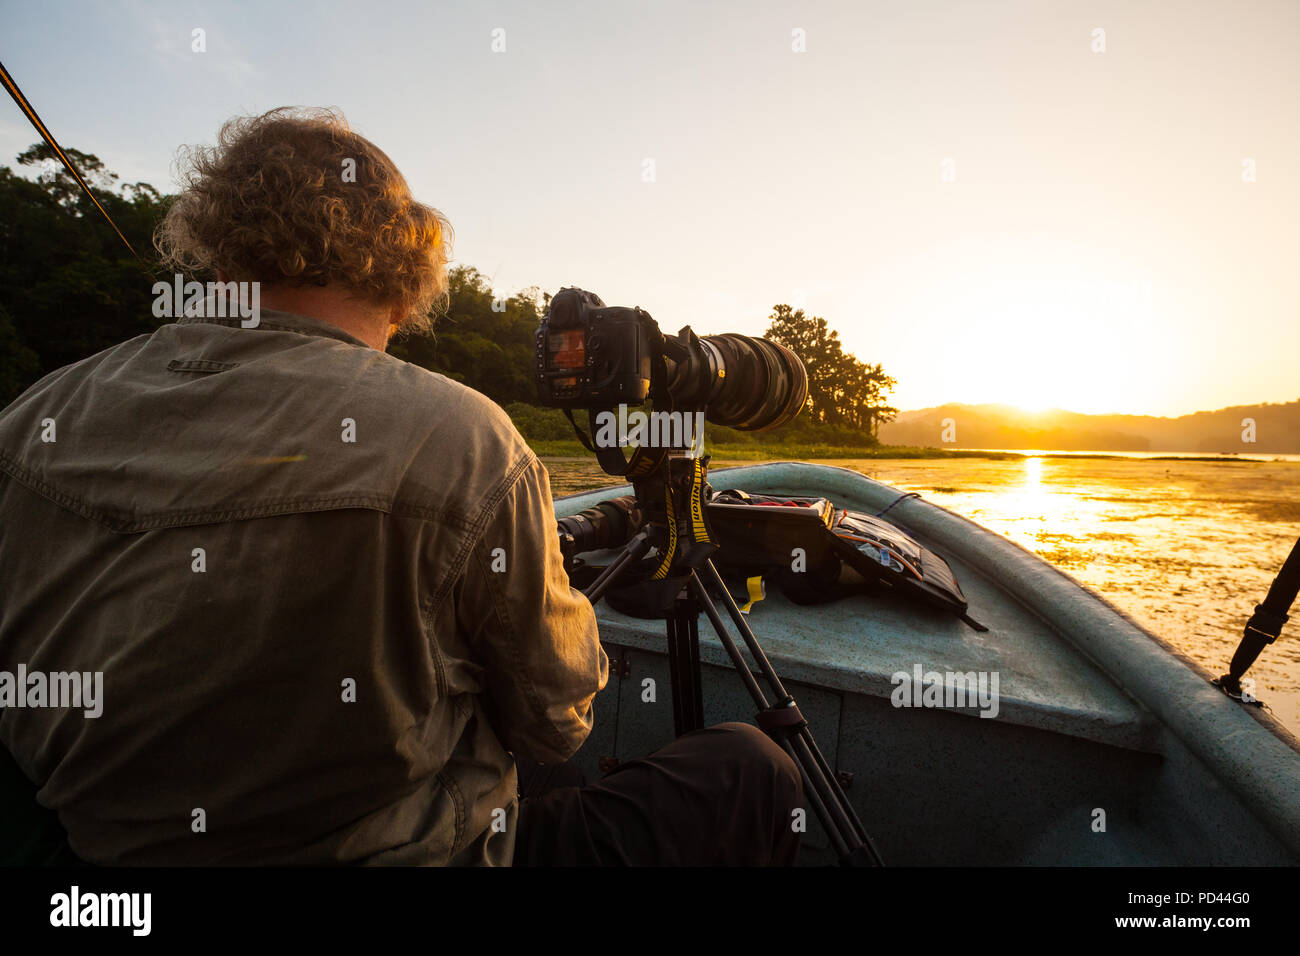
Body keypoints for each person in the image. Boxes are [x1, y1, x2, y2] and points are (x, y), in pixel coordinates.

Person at [0, 107, 801, 866]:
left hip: (99, 864)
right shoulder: (461, 437)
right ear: (403, 265)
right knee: (750, 769)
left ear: (215, 249)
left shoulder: (35, 415)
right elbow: (558, 723)